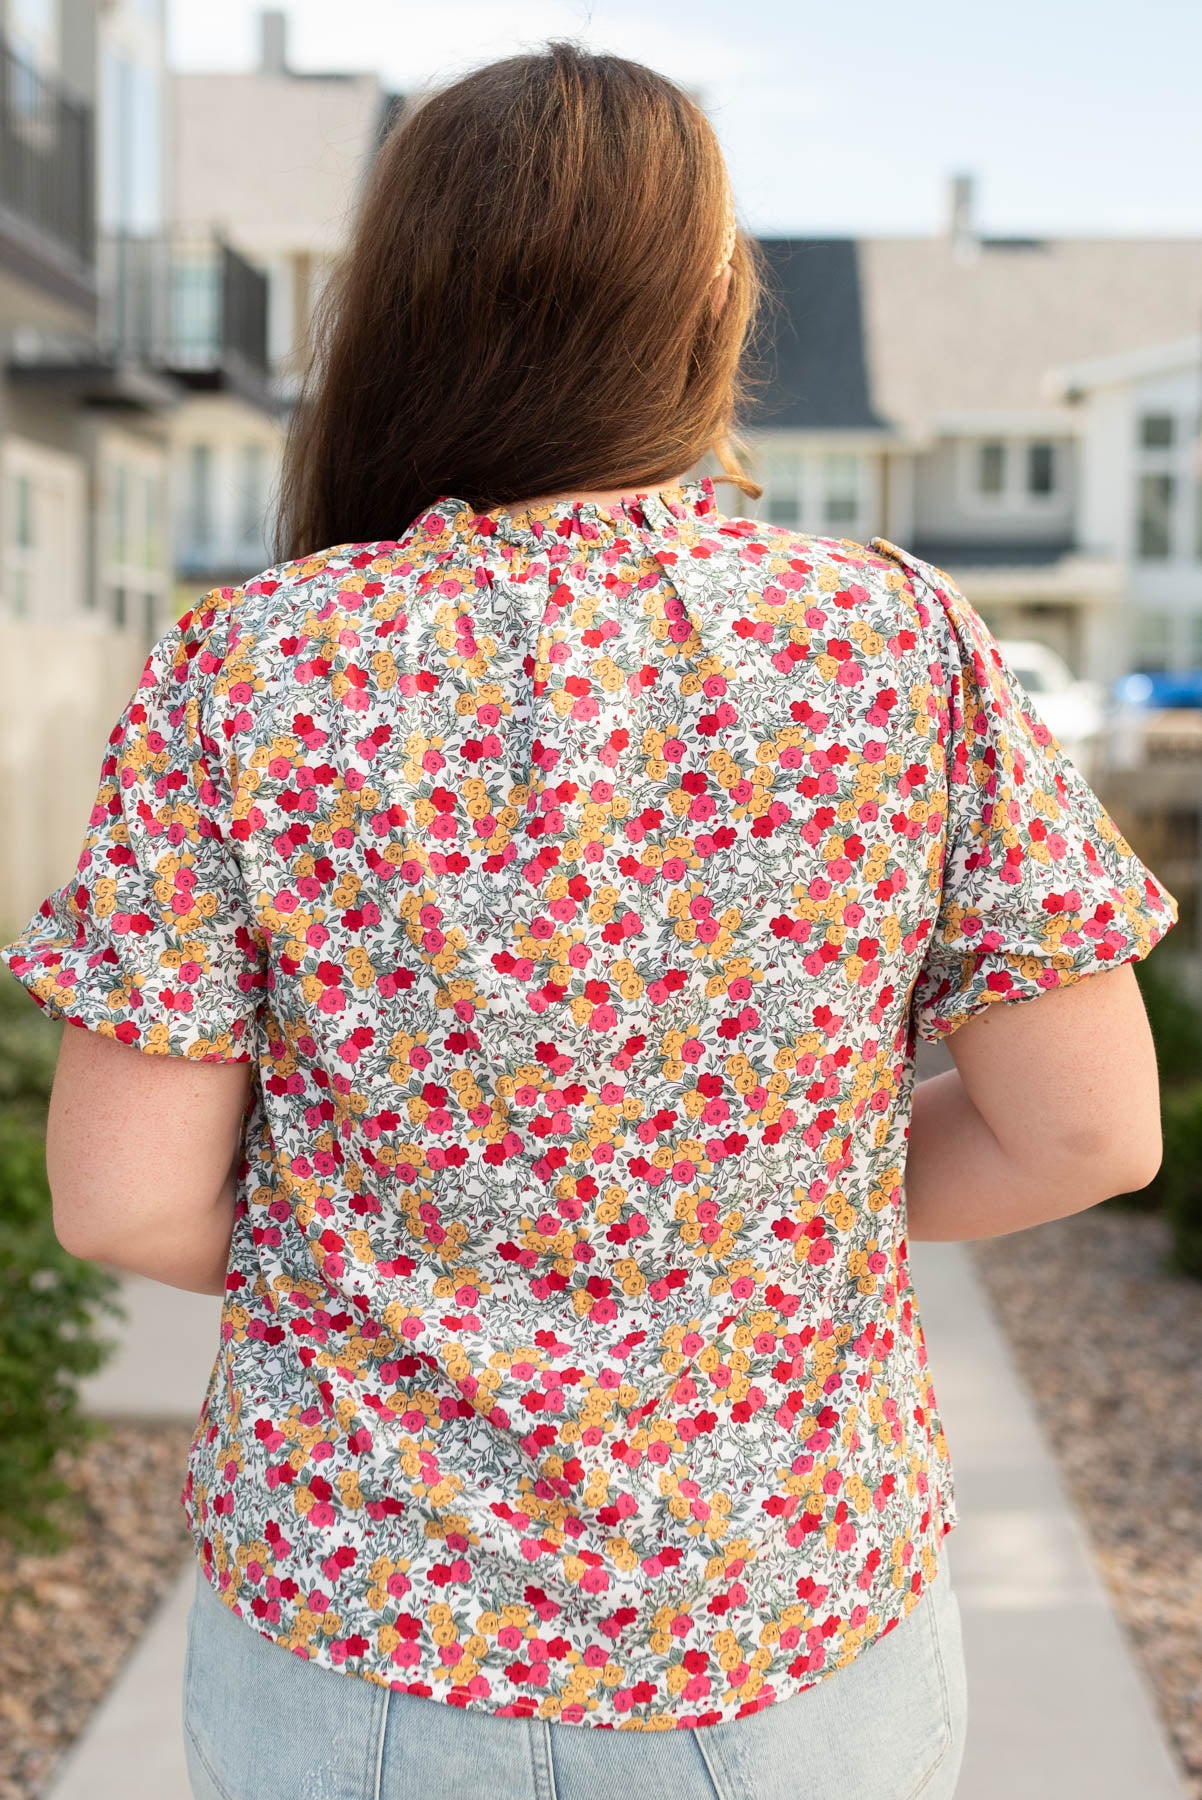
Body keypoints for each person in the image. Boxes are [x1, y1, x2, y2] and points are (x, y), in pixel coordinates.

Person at [0, 40, 1174, 1800]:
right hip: (781, 1629)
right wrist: (776, 1221)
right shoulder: (887, 642)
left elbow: (123, 1199)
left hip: (362, 1633)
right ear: (711, 295)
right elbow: (1085, 1133)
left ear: (398, 299)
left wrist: (408, 1261)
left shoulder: (255, 669)